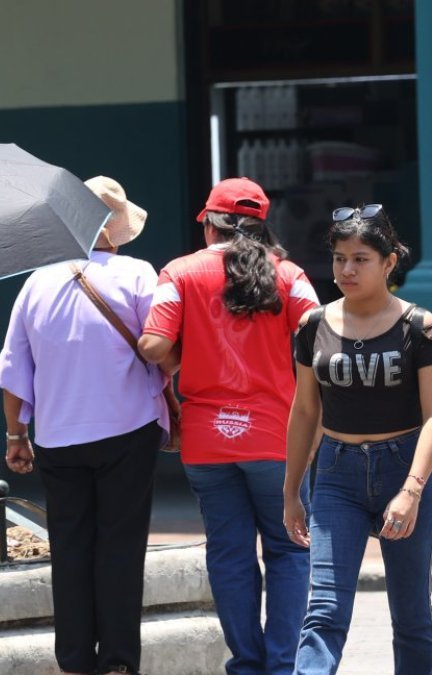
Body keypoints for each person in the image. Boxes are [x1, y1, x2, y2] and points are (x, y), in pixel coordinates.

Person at [139, 177, 319, 675]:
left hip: (206, 440)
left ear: (210, 225)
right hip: (276, 439)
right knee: (287, 550)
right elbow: (321, 331)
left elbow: (154, 347)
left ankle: (246, 664)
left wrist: (180, 353)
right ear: (262, 226)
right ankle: (283, 666)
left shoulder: (180, 273)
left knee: (229, 553)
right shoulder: (290, 274)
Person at [0, 176, 168, 675]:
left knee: (69, 548)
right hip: (129, 430)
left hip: (57, 436)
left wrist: (15, 435)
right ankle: (116, 664)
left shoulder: (35, 282)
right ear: (115, 228)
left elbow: (13, 373)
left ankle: (72, 662)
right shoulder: (137, 275)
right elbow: (163, 346)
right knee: (121, 547)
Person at [284, 204, 432, 674]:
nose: (347, 269)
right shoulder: (313, 326)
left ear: (389, 263)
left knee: (412, 614)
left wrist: (411, 490)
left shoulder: (419, 327)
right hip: (335, 473)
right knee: (324, 609)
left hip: (405, 466)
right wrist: (291, 491)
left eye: (361, 258)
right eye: (339, 258)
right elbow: (306, 410)